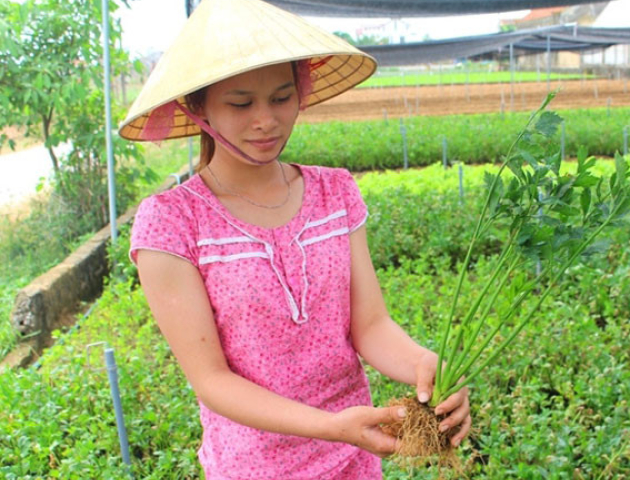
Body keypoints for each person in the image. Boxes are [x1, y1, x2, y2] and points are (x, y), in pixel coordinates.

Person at [119, 0, 470, 478]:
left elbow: (369, 324)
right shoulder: (172, 222)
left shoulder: (334, 190)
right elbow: (212, 380)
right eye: (240, 103)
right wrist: (331, 426)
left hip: (354, 457)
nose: (266, 120)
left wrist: (429, 368)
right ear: (197, 107)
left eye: (282, 98)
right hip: (253, 464)